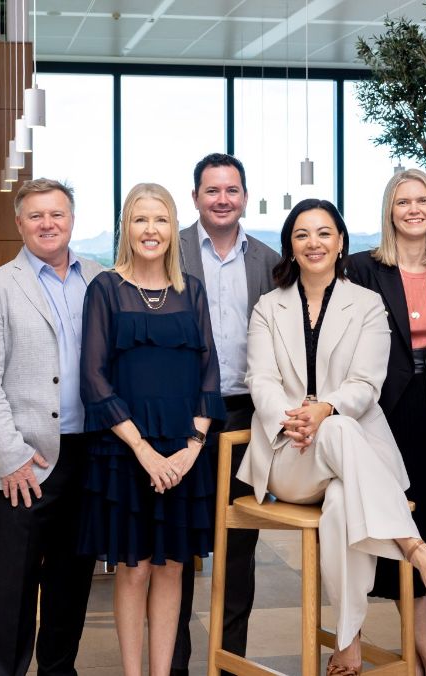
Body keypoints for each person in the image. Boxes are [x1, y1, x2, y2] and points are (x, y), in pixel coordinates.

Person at [237, 198, 426, 675]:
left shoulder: (367, 303)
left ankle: (347, 646)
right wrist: (296, 419)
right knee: (336, 429)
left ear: (341, 242)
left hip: (346, 456)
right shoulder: (268, 307)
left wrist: (327, 409)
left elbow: (366, 384)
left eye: (324, 233)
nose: (313, 243)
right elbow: (260, 381)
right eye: (302, 234)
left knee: (343, 501)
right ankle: (416, 550)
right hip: (290, 456)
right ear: (290, 246)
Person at [78, 183, 227, 676]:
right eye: (140, 220)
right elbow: (94, 379)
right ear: (127, 226)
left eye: (160, 220)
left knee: (173, 566)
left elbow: (210, 373)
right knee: (135, 567)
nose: (151, 230)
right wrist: (143, 451)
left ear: (173, 228)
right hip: (125, 449)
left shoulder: (193, 290)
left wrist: (192, 447)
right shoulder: (105, 289)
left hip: (183, 451)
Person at [0, 178, 102, 676]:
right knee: (12, 587)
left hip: (88, 455)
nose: (48, 224)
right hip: (24, 462)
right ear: (19, 222)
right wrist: (11, 455)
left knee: (72, 581)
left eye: (57, 214)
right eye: (37, 215)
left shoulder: (100, 279)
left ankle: (59, 670)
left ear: (72, 220)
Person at [345, 169, 426, 676]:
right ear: (390, 210)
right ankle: (366, 643)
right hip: (385, 410)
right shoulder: (363, 268)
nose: (414, 209)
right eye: (403, 201)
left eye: (423, 200)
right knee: (386, 522)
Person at [172, 152, 279, 675]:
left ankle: (229, 662)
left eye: (231, 190)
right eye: (212, 190)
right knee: (177, 546)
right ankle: (174, 663)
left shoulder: (266, 259)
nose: (222, 199)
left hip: (244, 418)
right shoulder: (171, 249)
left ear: (244, 195)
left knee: (239, 548)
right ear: (195, 197)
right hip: (179, 417)